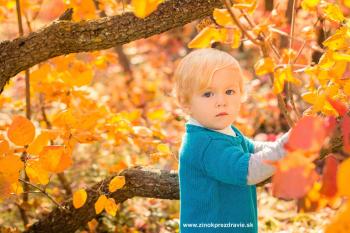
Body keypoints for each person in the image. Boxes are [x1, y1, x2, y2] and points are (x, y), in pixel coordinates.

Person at [172, 48, 291, 233]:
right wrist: (287, 146)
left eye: (229, 91)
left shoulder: (220, 131)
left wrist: (283, 148)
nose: (221, 101)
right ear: (186, 102)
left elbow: (250, 148)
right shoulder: (204, 144)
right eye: (208, 94)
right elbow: (249, 170)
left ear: (241, 94)